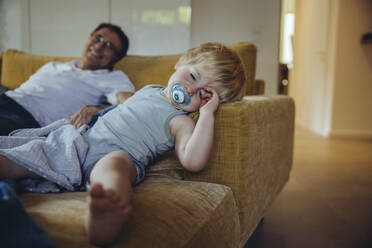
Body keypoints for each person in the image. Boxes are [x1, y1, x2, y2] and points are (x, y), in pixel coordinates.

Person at [0, 42, 246, 246]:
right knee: (23, 156)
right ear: (180, 63)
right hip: (81, 141)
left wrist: (206, 115)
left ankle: (106, 212)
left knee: (114, 175)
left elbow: (193, 161)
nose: (191, 90)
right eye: (192, 76)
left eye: (204, 95)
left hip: (119, 154)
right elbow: (120, 110)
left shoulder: (180, 121)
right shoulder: (149, 90)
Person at [0, 22, 135, 135]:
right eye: (98, 38)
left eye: (109, 46)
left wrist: (96, 109)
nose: (99, 46)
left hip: (27, 120)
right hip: (6, 100)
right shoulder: (53, 65)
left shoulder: (114, 78)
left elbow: (132, 105)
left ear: (115, 58)